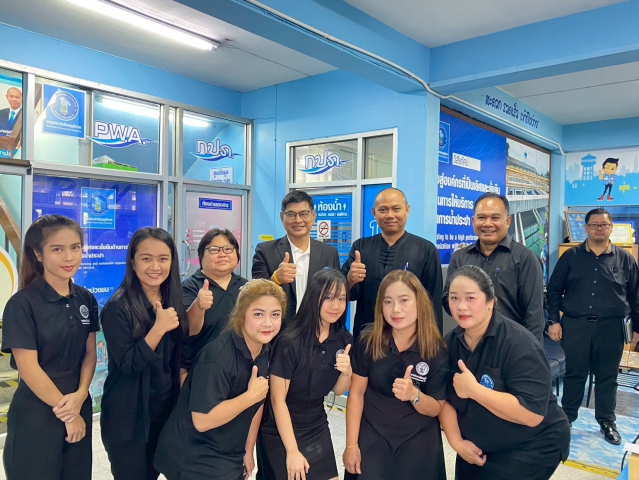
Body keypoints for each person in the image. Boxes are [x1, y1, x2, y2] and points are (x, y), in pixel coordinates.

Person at [440, 265, 570, 480]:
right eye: (454, 298)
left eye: (471, 298)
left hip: (532, 442)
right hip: (481, 441)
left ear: (491, 302)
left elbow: (531, 415)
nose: (461, 306)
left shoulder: (519, 344)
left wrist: (474, 390)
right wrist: (457, 442)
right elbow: (443, 399)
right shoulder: (450, 343)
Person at [153, 279, 284, 480]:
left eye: (275, 314)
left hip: (227, 450)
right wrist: (249, 397)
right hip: (195, 455)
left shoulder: (263, 349)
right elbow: (202, 421)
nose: (268, 323)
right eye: (258, 314)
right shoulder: (217, 358)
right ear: (241, 315)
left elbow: (257, 403)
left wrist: (248, 448)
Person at [1, 214, 98, 479]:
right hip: (38, 411)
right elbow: (28, 369)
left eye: (75, 247)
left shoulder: (85, 299)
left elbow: (90, 353)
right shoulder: (22, 304)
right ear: (38, 254)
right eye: (57, 249)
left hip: (78, 403)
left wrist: (81, 395)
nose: (69, 257)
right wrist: (68, 415)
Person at [100, 228, 189, 480]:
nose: (155, 267)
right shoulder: (118, 307)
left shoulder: (172, 298)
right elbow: (129, 364)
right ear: (133, 261)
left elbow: (179, 351)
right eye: (146, 258)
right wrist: (158, 329)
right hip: (129, 419)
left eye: (163, 258)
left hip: (164, 413)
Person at [343, 270, 448, 480]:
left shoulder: (436, 349)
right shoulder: (368, 341)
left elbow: (437, 407)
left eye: (404, 300)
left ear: (419, 303)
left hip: (418, 440)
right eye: (388, 302)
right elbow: (356, 393)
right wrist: (351, 445)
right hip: (373, 436)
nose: (396, 309)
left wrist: (414, 395)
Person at [547, 208, 639, 445]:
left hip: (611, 329)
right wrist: (553, 321)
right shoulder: (570, 257)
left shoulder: (625, 259)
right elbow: (553, 291)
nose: (599, 228)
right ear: (586, 228)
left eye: (604, 225)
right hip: (575, 326)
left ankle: (607, 422)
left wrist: (637, 329)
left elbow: (635, 296)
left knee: (608, 378)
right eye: (594, 224)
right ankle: (566, 419)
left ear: (611, 228)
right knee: (574, 375)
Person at [258, 269, 353, 480]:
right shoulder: (290, 341)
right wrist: (292, 451)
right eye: (328, 298)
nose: (336, 305)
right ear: (314, 297)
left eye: (341, 299)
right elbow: (277, 400)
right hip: (281, 425)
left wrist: (347, 372)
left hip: (316, 422)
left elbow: (338, 391)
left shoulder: (343, 339)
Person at [342, 187, 443, 339]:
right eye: (383, 210)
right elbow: (345, 294)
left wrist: (433, 342)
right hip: (366, 336)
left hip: (410, 339)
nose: (390, 215)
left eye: (396, 209)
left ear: (407, 210)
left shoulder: (425, 250)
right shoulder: (361, 247)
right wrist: (350, 279)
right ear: (374, 213)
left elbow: (433, 302)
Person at [443, 192, 545, 342]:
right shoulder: (460, 258)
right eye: (481, 218)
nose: (487, 224)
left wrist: (531, 350)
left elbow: (534, 313)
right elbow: (447, 300)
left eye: (495, 218)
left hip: (511, 344)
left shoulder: (525, 259)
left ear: (508, 221)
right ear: (473, 221)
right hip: (469, 342)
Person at [252, 190, 340, 328]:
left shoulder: (329, 253)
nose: (298, 220)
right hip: (279, 332)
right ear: (282, 218)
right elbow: (254, 297)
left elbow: (335, 295)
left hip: (317, 331)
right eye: (291, 214)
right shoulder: (265, 251)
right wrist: (275, 279)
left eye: (304, 214)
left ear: (313, 216)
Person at [181, 228, 248, 378]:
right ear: (201, 255)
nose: (222, 254)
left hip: (240, 370)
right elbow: (187, 330)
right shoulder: (189, 287)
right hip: (202, 371)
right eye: (214, 250)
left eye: (228, 249)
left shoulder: (245, 287)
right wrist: (198, 306)